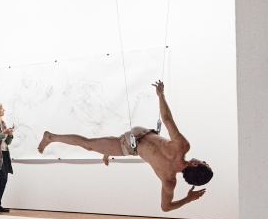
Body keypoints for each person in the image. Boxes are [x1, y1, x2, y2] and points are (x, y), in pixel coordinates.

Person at [36, 80, 212, 212]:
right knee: (88, 145)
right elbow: (166, 207)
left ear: (195, 164)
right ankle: (51, 137)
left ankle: (105, 151)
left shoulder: (182, 147)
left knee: (99, 146)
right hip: (130, 145)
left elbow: (167, 119)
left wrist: (161, 94)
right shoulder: (169, 181)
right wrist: (188, 199)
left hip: (138, 136)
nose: (203, 160)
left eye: (205, 162)